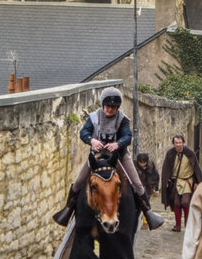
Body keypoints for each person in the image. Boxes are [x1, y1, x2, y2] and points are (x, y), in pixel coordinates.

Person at [52, 86, 164, 230]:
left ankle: (148, 213)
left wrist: (118, 144)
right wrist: (91, 141)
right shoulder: (93, 117)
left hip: (120, 155)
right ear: (103, 104)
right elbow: (83, 132)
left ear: (117, 108)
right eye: (108, 106)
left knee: (136, 182)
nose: (110, 109)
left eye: (113, 107)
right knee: (79, 181)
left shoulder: (123, 119)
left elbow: (127, 136)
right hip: (97, 155)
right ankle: (67, 210)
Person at [161, 135, 202, 232]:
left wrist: (197, 182)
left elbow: (196, 167)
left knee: (185, 202)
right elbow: (166, 168)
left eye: (180, 143)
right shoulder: (170, 153)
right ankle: (178, 225)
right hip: (176, 181)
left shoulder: (190, 153)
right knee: (176, 203)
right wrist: (166, 180)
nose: (178, 145)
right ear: (174, 143)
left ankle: (188, 224)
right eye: (176, 143)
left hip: (187, 181)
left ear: (183, 142)